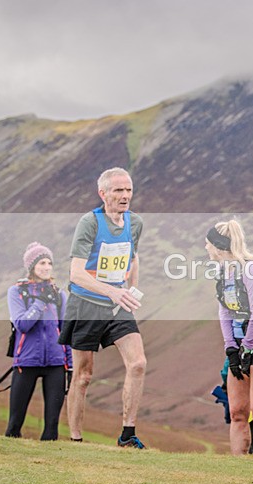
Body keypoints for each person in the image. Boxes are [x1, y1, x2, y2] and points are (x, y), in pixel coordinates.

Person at [59, 167, 148, 448]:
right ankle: (76, 440)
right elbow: (76, 272)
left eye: (128, 190)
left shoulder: (135, 223)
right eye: (118, 190)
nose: (124, 196)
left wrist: (130, 290)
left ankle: (127, 435)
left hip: (117, 306)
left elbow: (132, 258)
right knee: (83, 376)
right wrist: (112, 291)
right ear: (103, 193)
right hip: (85, 305)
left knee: (138, 363)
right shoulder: (90, 223)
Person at [206, 220, 253, 459]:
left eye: (208, 243)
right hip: (239, 344)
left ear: (217, 246)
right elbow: (225, 310)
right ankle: (240, 464)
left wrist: (247, 349)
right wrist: (231, 348)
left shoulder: (250, 269)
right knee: (237, 411)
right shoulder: (223, 272)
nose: (206, 248)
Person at [4, 243, 72, 441]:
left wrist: (70, 365)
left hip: (56, 363)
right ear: (32, 266)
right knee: (14, 425)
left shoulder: (59, 295)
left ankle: (49, 466)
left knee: (52, 429)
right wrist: (41, 301)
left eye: (49, 263)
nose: (47, 267)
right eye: (42, 262)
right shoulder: (17, 292)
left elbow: (65, 331)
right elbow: (22, 325)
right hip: (26, 361)